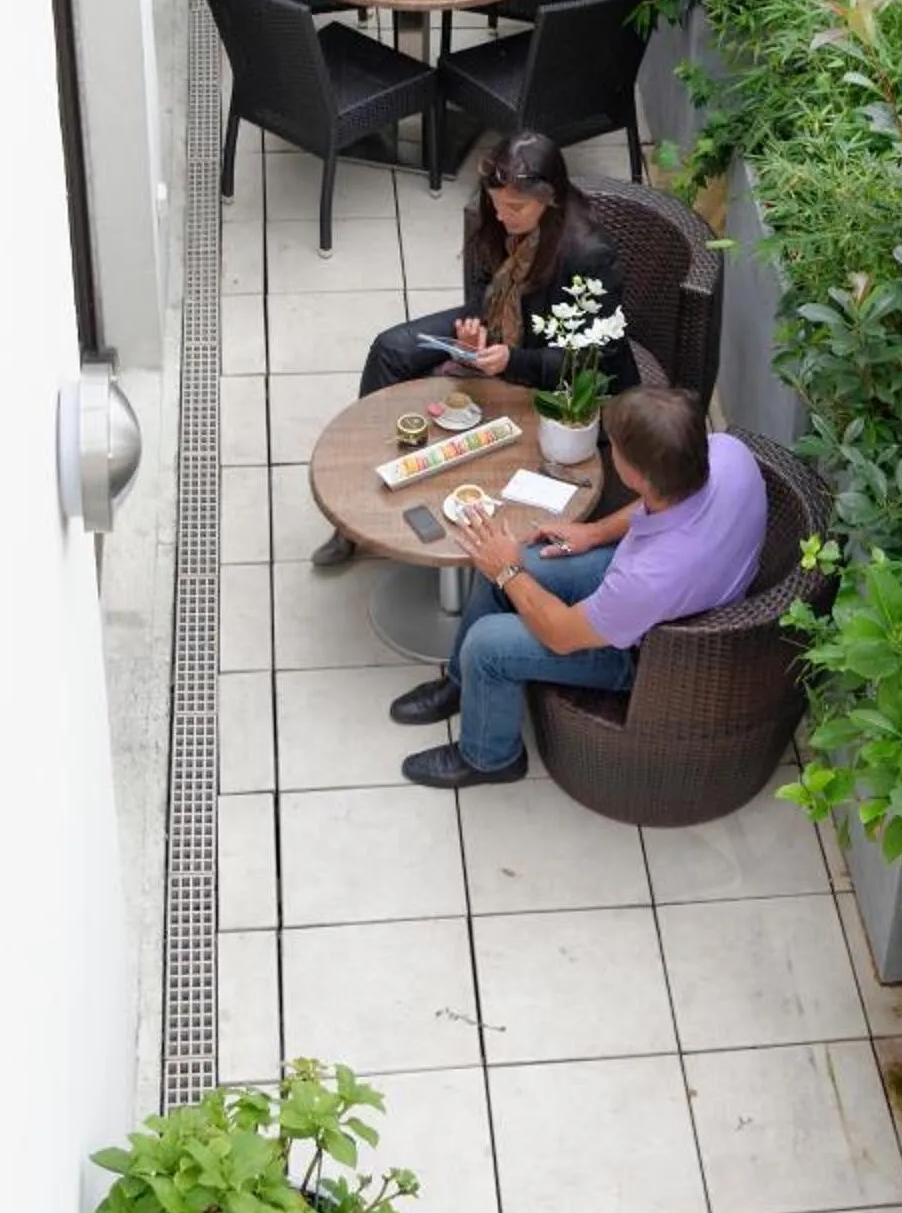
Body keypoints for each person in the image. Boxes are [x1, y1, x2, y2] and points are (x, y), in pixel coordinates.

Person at [393, 386, 770, 789]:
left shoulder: (647, 581)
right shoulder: (729, 454)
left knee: (488, 642)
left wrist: (506, 571)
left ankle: (490, 758)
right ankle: (462, 685)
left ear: (636, 476)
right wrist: (595, 532)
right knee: (520, 564)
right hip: (661, 580)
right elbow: (662, 500)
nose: (611, 452)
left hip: (648, 649)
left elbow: (561, 635)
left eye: (617, 448)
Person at [311, 129, 639, 568]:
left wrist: (512, 358)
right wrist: (475, 330)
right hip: (501, 329)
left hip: (555, 358)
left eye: (515, 208)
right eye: (497, 204)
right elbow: (486, 284)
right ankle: (352, 520)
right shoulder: (497, 213)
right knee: (391, 348)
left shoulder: (588, 254)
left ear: (551, 199)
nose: (502, 216)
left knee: (498, 432)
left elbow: (597, 359)